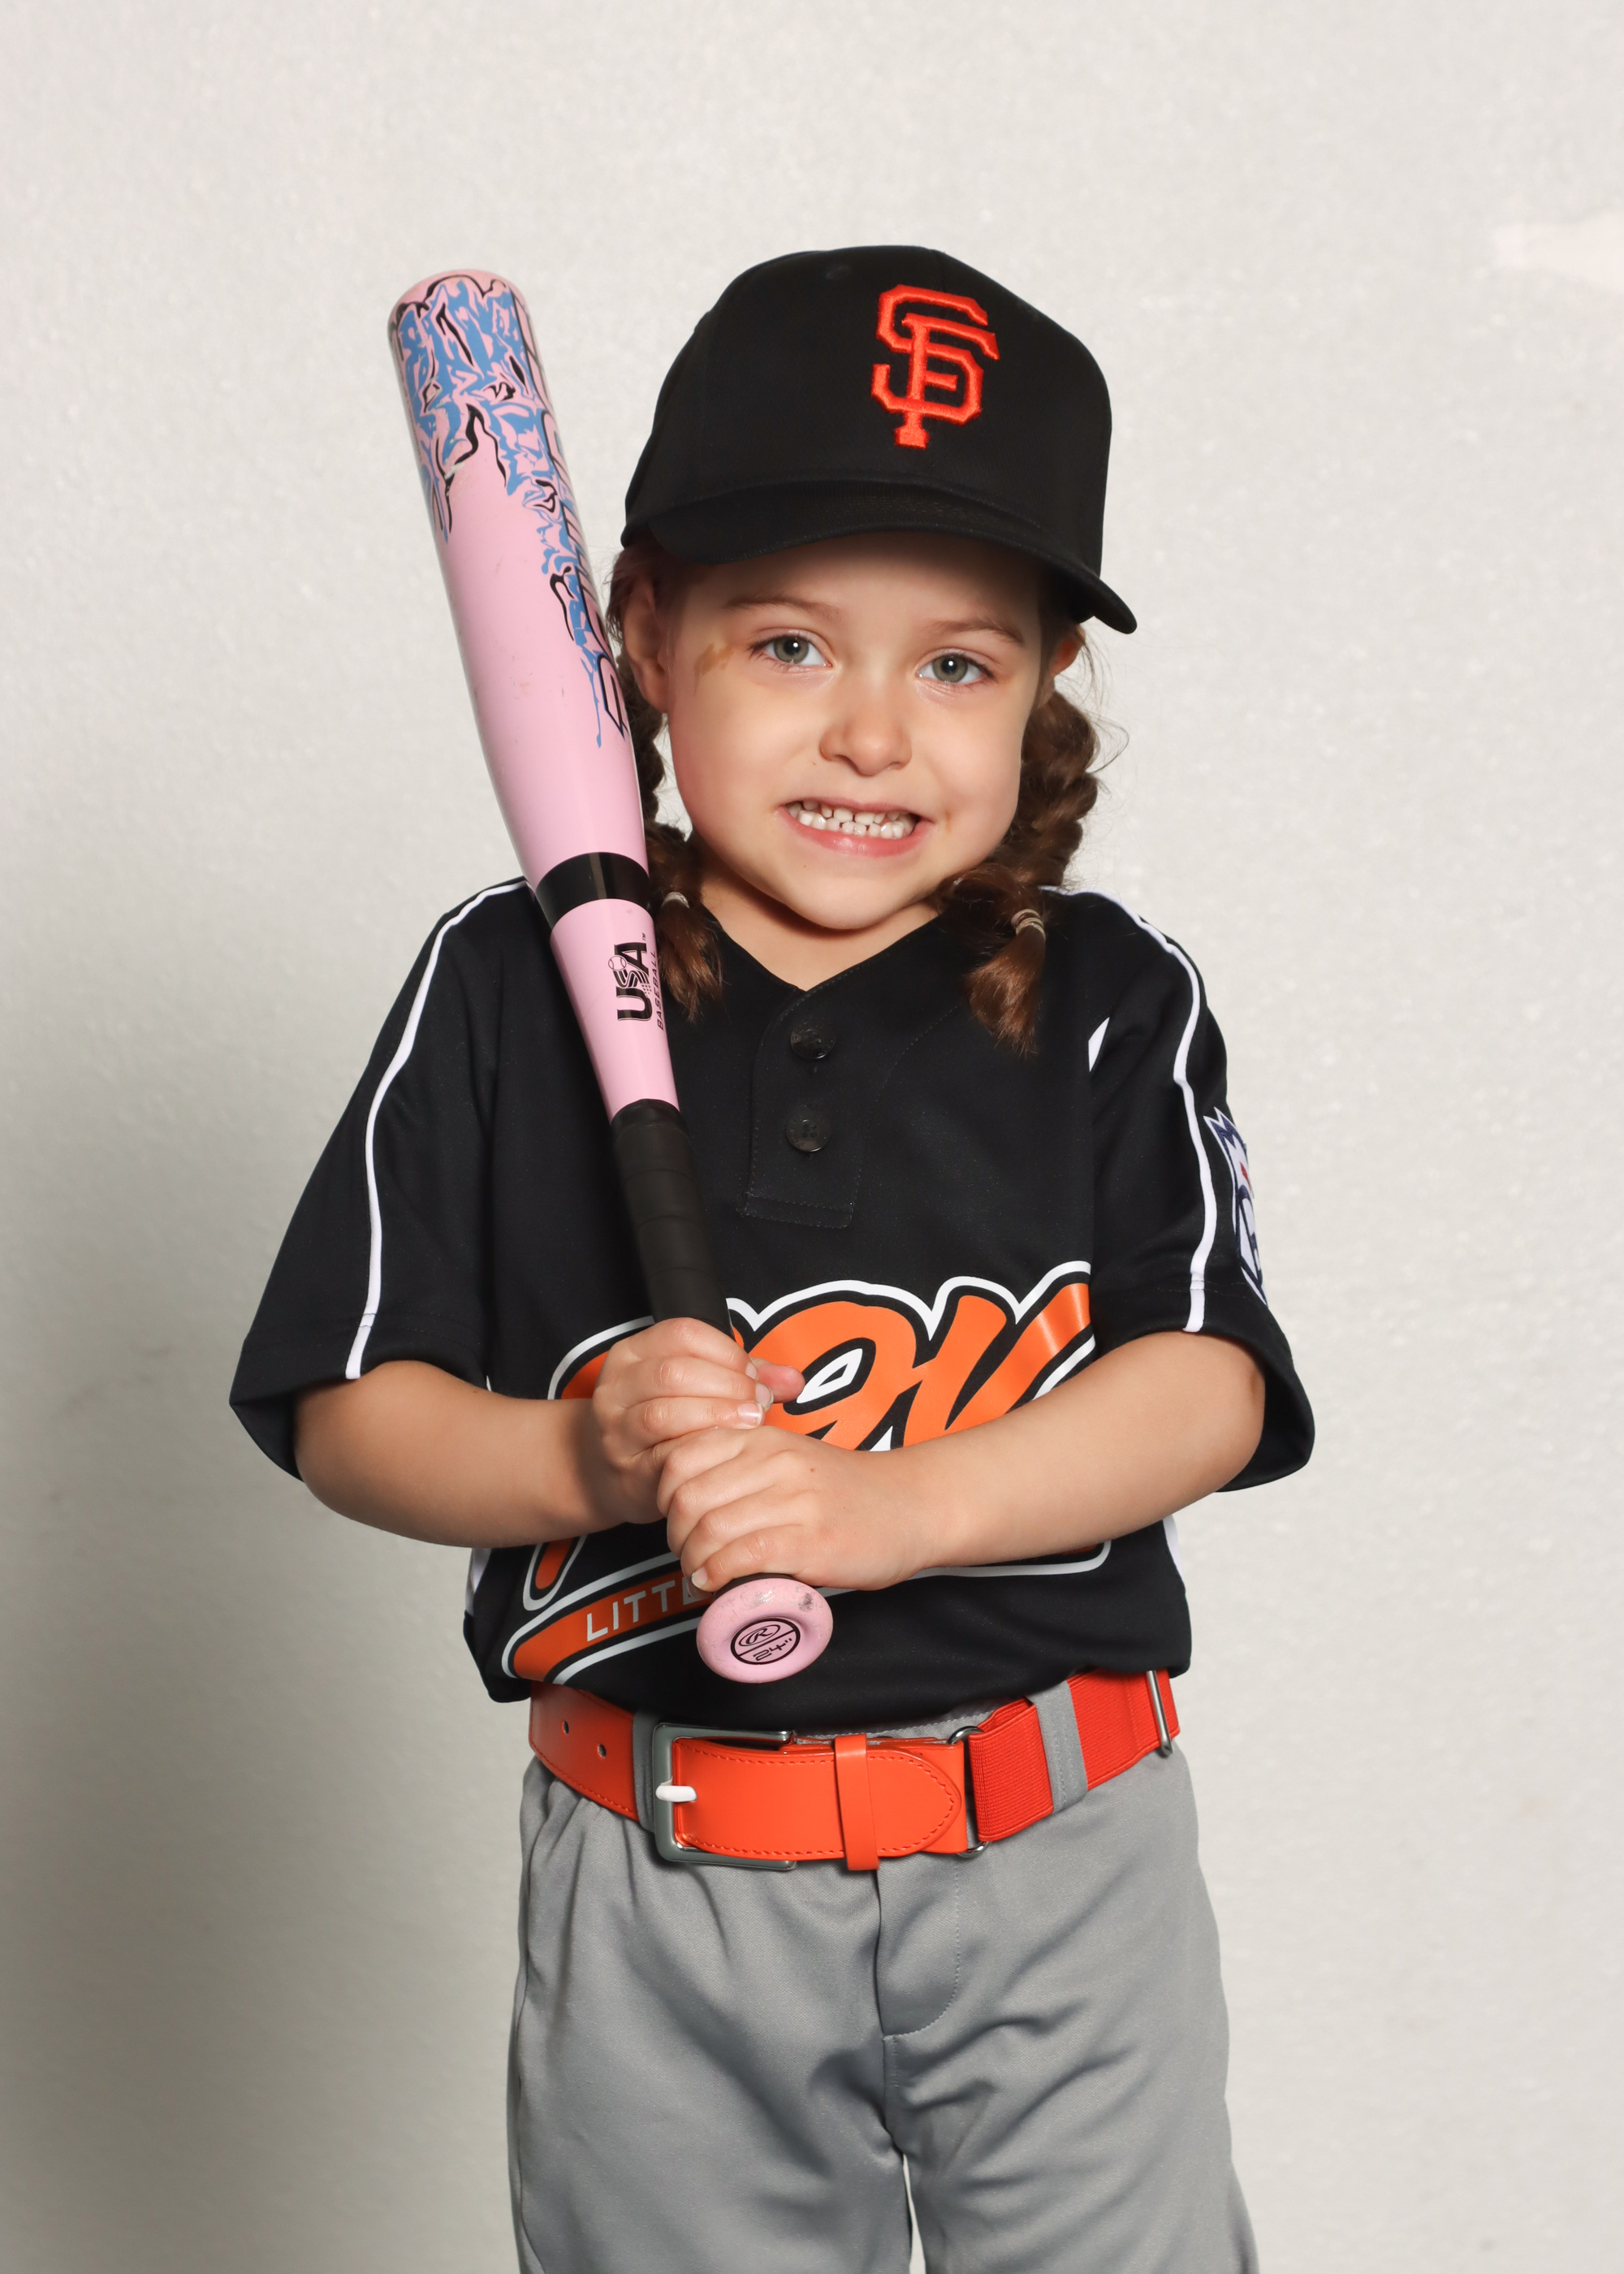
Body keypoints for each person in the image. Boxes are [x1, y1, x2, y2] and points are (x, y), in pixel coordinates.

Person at [231, 244, 1313, 2274]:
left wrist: (889, 1508)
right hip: (663, 1869)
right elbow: (346, 1407)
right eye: (793, 642)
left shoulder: (1105, 995)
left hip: (1055, 1849)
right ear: (643, 635)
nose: (874, 733)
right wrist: (580, 1453)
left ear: (1043, 687)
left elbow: (1205, 1385)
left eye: (959, 664)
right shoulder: (505, 982)